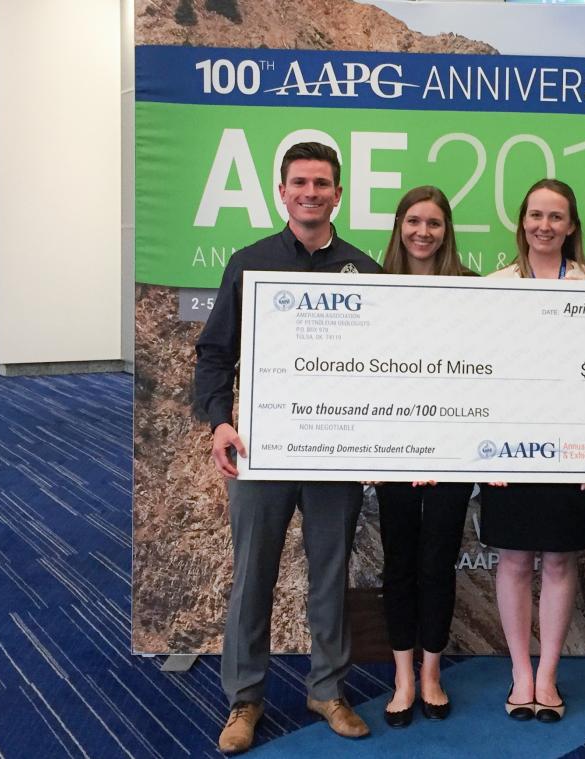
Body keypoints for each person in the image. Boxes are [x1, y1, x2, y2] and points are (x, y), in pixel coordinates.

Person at [194, 142, 381, 754]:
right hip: (262, 450)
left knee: (330, 575)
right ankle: (245, 699)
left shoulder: (365, 270)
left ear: (339, 194)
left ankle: (327, 688)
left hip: (335, 453)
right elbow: (215, 354)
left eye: (322, 183)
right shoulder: (249, 264)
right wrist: (220, 422)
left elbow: (382, 367)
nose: (311, 192)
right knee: (253, 576)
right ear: (282, 192)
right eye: (300, 182)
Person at [483, 178, 585, 724]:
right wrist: (484, 453)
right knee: (513, 559)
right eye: (535, 214)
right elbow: (478, 375)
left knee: (559, 560)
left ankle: (549, 674)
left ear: (572, 225)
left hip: (571, 449)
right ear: (522, 221)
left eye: (556, 216)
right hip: (507, 451)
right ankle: (520, 674)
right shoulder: (492, 286)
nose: (544, 225)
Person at [374, 186, 476, 728]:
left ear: (446, 231)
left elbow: (485, 376)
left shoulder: (472, 291)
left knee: (438, 563)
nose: (423, 232)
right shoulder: (374, 289)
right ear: (399, 226)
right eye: (414, 221)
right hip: (392, 454)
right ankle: (402, 677)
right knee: (399, 566)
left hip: (453, 456)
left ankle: (432, 672)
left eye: (434, 223)